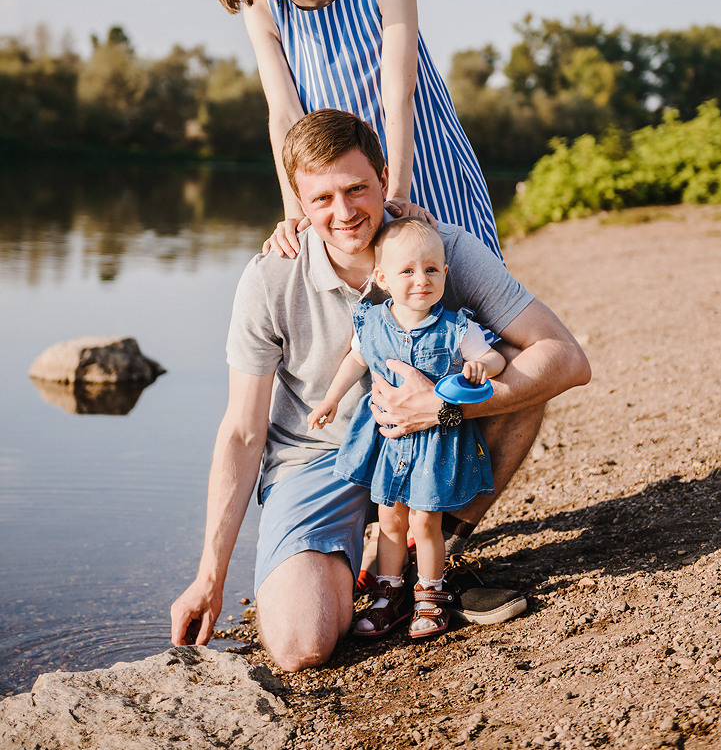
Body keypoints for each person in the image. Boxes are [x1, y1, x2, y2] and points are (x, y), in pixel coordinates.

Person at [170, 109, 591, 672]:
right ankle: (353, 563)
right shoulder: (270, 277)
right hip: (316, 459)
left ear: (385, 177)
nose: (343, 213)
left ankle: (431, 555)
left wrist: (444, 405)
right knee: (302, 646)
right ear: (296, 201)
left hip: (432, 442)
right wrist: (208, 576)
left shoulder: (440, 252)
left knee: (519, 368)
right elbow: (244, 432)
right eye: (321, 199)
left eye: (356, 188)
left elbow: (567, 357)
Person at [201, 0, 503, 259]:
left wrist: (397, 198)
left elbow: (398, 94)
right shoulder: (264, 14)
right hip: (351, 199)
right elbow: (284, 116)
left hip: (426, 165)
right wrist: (294, 216)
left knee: (469, 296)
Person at [308, 217, 507, 640]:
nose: (422, 279)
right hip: (388, 440)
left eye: (432, 269)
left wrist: (480, 368)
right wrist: (331, 398)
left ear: (445, 273)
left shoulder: (457, 327)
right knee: (389, 521)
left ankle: (430, 594)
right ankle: (389, 594)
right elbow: (356, 361)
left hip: (434, 442)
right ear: (382, 277)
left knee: (424, 521)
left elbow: (496, 359)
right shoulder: (373, 322)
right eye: (408, 271)